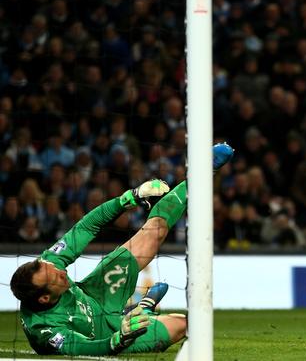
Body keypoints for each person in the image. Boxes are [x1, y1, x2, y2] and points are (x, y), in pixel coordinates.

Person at [10, 143, 234, 356]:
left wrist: (130, 197)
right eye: (56, 277)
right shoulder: (45, 331)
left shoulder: (48, 264)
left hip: (96, 292)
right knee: (182, 324)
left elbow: (87, 226)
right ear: (44, 298)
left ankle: (203, 171)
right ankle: (143, 310)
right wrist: (118, 339)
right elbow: (86, 348)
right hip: (110, 334)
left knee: (153, 233)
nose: (62, 271)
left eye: (54, 267)